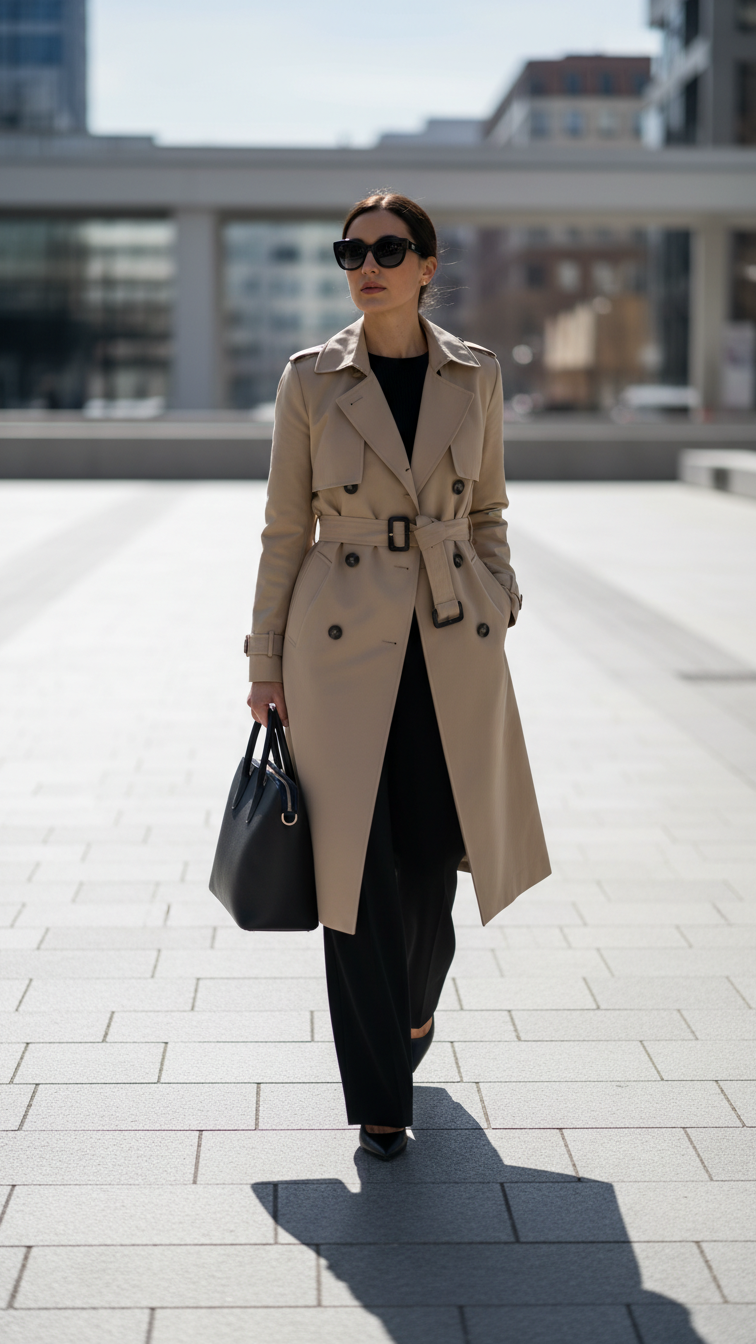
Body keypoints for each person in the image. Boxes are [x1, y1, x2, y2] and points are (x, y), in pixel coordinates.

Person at [247, 192, 550, 1160]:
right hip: (337, 649)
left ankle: (412, 1010)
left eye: (387, 249)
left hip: (450, 638)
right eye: (352, 252)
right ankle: (381, 1098)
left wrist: (500, 594)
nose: (367, 266)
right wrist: (264, 661)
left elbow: (489, 509)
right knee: (354, 870)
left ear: (427, 265)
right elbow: (284, 530)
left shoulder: (476, 374)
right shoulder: (310, 379)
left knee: (429, 860)